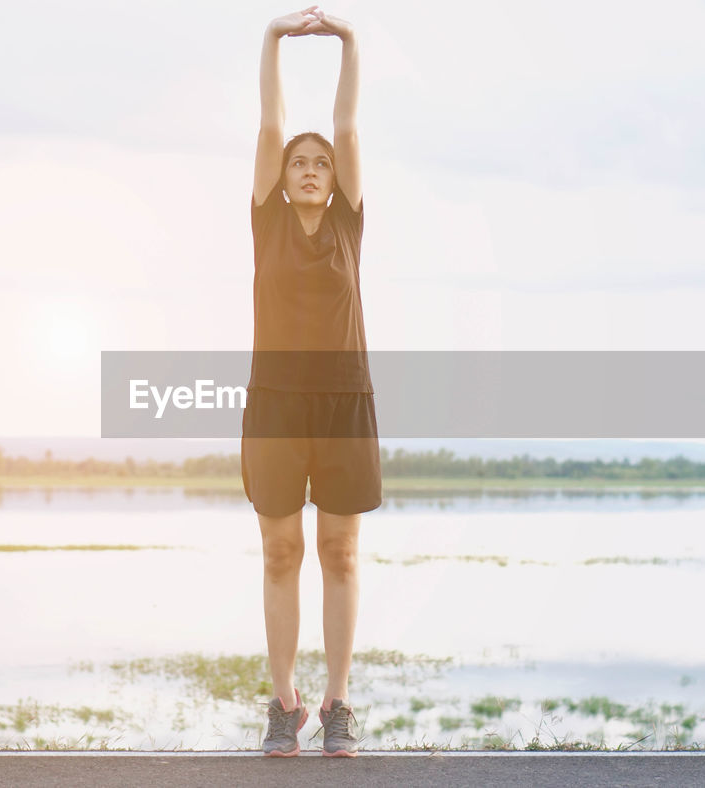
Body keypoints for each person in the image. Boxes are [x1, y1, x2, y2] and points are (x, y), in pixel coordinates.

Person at [241, 6, 381, 758]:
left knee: (340, 551)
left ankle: (337, 703)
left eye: (319, 163)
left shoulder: (348, 227)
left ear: (334, 182)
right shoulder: (266, 223)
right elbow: (271, 126)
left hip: (344, 401)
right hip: (274, 404)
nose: (307, 166)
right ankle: (283, 702)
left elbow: (348, 127)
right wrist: (272, 39)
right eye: (300, 161)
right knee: (279, 552)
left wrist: (348, 42)